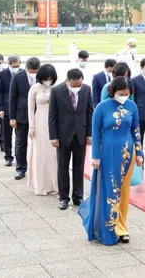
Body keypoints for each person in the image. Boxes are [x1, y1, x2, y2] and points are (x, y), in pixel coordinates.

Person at [79, 77, 143, 245]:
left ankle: (121, 227)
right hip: (107, 154)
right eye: (121, 94)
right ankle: (107, 227)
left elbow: (136, 130)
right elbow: (96, 133)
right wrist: (95, 157)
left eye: (127, 94)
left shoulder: (132, 106)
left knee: (123, 191)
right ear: (113, 91)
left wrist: (140, 152)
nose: (124, 97)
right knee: (109, 190)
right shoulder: (102, 107)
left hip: (127, 155)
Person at [49, 69, 94, 209]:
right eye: (74, 85)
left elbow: (89, 112)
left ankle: (78, 196)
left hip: (80, 133)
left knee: (79, 167)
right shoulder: (56, 91)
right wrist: (53, 136)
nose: (76, 87)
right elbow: (52, 115)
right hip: (63, 134)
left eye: (79, 84)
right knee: (62, 167)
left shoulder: (86, 89)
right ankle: (63, 197)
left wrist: (89, 133)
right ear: (67, 81)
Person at [27, 64, 59, 196]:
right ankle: (40, 184)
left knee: (53, 154)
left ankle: (54, 183)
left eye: (50, 78)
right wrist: (31, 126)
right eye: (46, 78)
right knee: (41, 153)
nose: (48, 80)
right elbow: (30, 108)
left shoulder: (56, 88)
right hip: (39, 120)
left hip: (54, 121)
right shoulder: (35, 88)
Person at [10, 57, 40, 180]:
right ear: (26, 67)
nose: (33, 73)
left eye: (35, 71)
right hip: (22, 115)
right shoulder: (17, 77)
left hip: (38, 114)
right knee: (20, 142)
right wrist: (12, 117)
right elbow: (12, 97)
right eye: (31, 71)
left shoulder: (41, 75)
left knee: (39, 143)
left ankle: (38, 168)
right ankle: (21, 168)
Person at [0, 55, 20, 166]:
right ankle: (8, 156)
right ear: (9, 64)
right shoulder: (2, 74)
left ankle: (19, 155)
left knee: (19, 135)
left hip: (19, 108)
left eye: (18, 66)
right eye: (14, 66)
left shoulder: (22, 73)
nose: (16, 68)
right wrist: (0, 108)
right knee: (7, 134)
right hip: (6, 107)